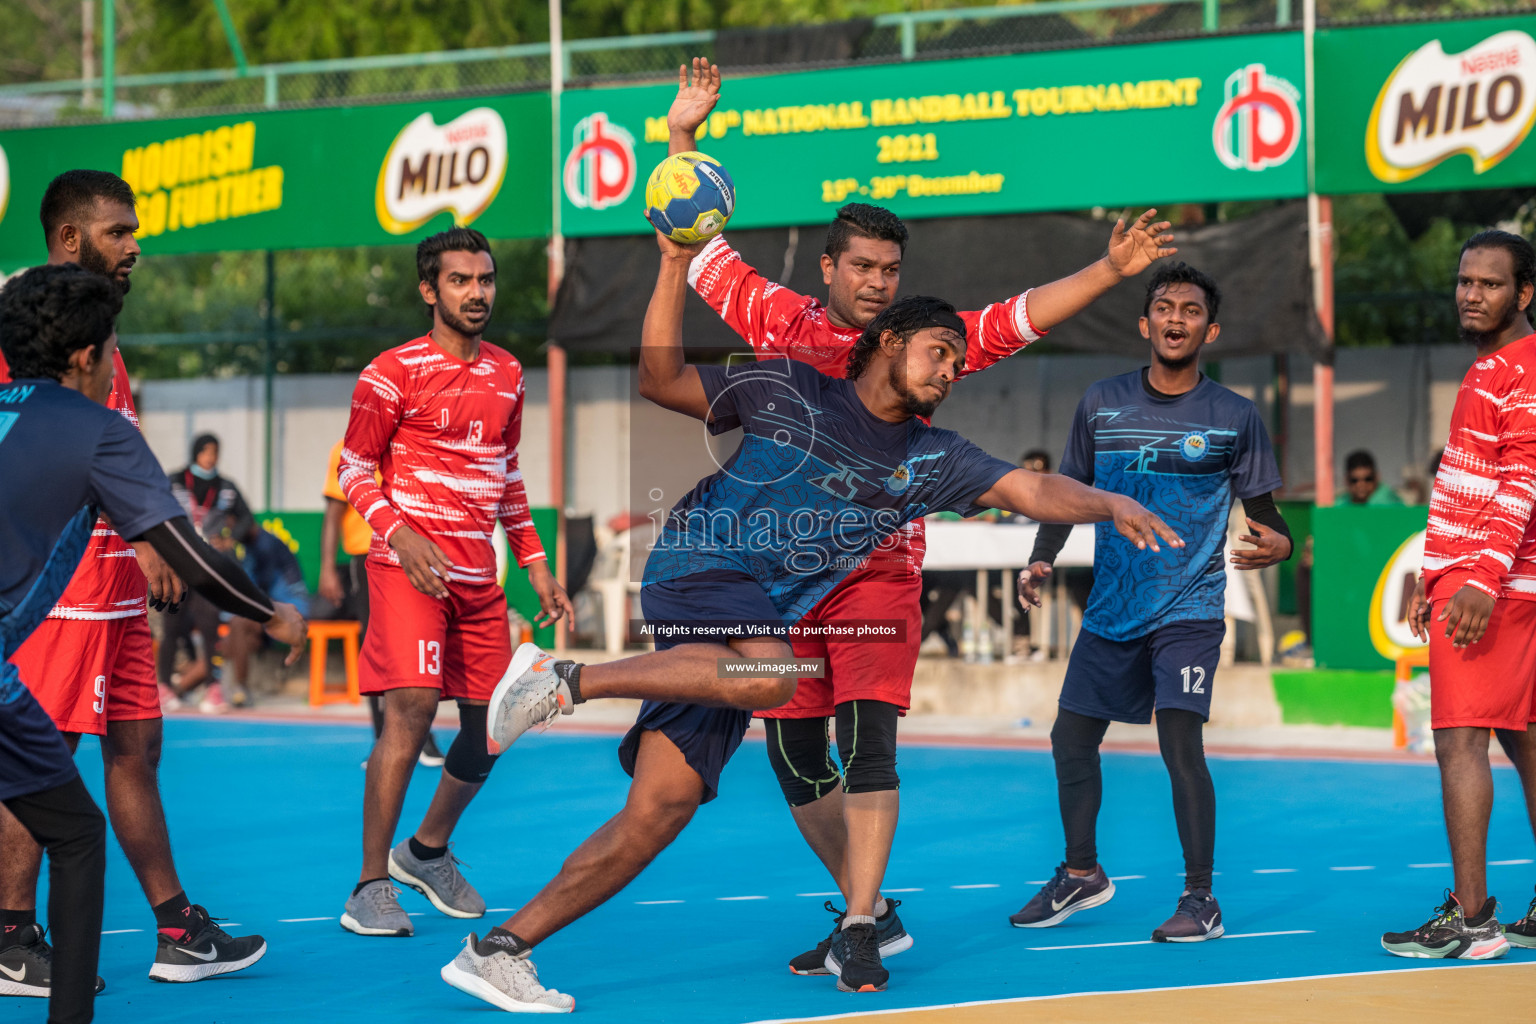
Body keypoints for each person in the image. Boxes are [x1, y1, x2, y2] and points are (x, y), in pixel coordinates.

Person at [434, 232, 1181, 1011]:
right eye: (939, 353)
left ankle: (499, 950)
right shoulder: (789, 385)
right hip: (700, 567)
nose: (952, 371)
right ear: (889, 343)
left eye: (959, 363)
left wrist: (1109, 502)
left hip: (752, 615)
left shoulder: (934, 458)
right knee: (776, 677)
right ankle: (566, 678)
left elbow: (1032, 494)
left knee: (662, 807)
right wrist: (670, 263)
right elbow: (660, 379)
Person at [665, 59, 1179, 974]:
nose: (874, 281)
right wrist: (681, 138)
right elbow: (693, 237)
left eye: (889, 269)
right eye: (861, 266)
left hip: (877, 570)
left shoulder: (921, 341)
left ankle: (860, 922)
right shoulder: (782, 322)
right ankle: (871, 907)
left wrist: (1109, 266)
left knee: (868, 746)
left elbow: (1022, 317)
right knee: (794, 761)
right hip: (787, 581)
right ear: (829, 267)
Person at [0, 263, 307, 1024]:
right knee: (74, 830)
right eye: (109, 349)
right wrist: (270, 613)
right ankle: (26, 958)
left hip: (75, 620)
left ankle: (170, 928)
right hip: (41, 635)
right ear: (86, 356)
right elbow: (196, 554)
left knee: (99, 787)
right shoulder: (96, 427)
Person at [1008, 262, 1292, 942]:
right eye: (1164, 307)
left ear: (1209, 329)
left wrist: (1278, 547)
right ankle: (1081, 874)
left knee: (1179, 742)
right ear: (1144, 323)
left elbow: (1271, 520)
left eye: (1190, 310)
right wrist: (1042, 557)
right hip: (1112, 607)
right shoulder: (1101, 402)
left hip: (1189, 609)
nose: (1175, 318)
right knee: (1069, 738)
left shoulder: (1234, 417)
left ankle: (1201, 899)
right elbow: (1068, 491)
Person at [337, 227, 573, 937]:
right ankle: (370, 884)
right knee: (410, 707)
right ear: (429, 289)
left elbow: (507, 478)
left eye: (486, 280)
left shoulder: (508, 373)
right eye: (462, 281)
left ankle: (427, 850)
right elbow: (353, 468)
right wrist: (399, 533)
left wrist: (535, 561)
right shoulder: (390, 372)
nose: (477, 292)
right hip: (409, 570)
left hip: (479, 579)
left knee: (493, 726)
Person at [1385, 230, 1536, 959]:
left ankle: (1473, 922)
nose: (1471, 294)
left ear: (1524, 294)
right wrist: (1435, 565)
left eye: (1490, 283)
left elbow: (1522, 480)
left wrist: (1475, 578)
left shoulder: (1517, 369)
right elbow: (1466, 484)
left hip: (1496, 589)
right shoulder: (1494, 367)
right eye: (1465, 281)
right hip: (1486, 578)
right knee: (1525, 742)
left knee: (1458, 742)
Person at [316, 439, 445, 767]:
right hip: (367, 555)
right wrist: (328, 567)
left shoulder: (411, 439)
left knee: (418, 644)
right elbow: (334, 512)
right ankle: (382, 738)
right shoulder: (345, 448)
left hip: (412, 552)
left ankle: (422, 737)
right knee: (377, 646)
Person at [159, 433, 253, 711]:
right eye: (206, 451)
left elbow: (247, 517)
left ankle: (213, 688)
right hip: (177, 561)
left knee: (211, 623)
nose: (210, 457)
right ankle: (164, 686)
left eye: (215, 452)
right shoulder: (175, 481)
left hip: (209, 564)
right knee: (172, 625)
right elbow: (153, 509)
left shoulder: (226, 487)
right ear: (196, 452)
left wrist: (230, 537)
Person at [204, 513, 311, 707]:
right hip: (271, 609)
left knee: (237, 626)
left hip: (291, 609)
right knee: (232, 643)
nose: (229, 536)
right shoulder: (250, 546)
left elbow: (259, 597)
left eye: (230, 531)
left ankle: (239, 688)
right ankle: (176, 690)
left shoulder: (265, 546)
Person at [1334, 449, 1403, 506]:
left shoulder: (1389, 503)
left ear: (1377, 477)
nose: (1361, 484)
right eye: (1354, 480)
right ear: (1346, 480)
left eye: (1368, 479)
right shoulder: (1340, 504)